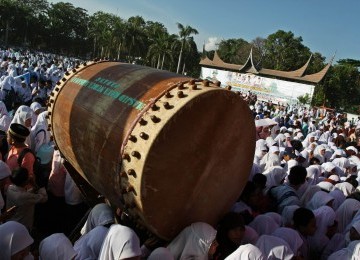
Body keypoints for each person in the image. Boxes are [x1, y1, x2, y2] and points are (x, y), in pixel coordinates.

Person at [6, 123, 35, 188]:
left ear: (13, 140)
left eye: (8, 136)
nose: (6, 137)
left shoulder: (27, 156)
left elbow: (26, 179)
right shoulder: (13, 147)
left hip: (17, 192)